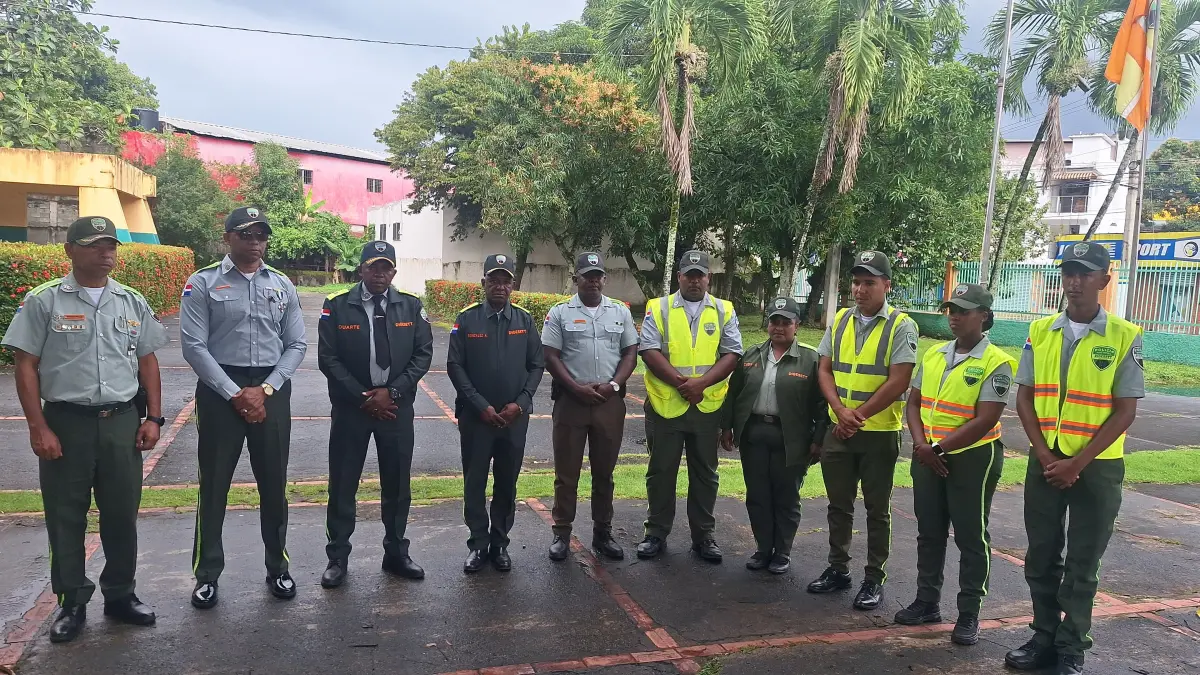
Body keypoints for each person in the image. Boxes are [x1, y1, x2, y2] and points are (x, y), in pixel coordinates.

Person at [2, 216, 169, 643]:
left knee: (120, 514)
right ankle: (72, 601)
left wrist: (153, 417)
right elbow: (26, 366)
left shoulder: (131, 301)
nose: (106, 251)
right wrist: (37, 427)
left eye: (110, 243)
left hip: (121, 423)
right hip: (66, 424)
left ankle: (120, 595)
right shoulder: (44, 301)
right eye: (95, 244)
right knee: (65, 516)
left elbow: (147, 360)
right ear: (70, 250)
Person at [1005, 242, 1143, 675]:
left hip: (1096, 468)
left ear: (1105, 279)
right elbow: (1024, 397)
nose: (1074, 281)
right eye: (1068, 272)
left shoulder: (1125, 335)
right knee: (1041, 555)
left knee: (1084, 561)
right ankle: (1043, 635)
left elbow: (1126, 410)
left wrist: (1077, 463)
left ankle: (1072, 646)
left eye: (1085, 273)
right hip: (1045, 462)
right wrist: (1046, 455)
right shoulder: (1040, 330)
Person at [179, 206, 307, 609]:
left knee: (274, 483)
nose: (254, 240)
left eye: (261, 234)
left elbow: (298, 344)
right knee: (214, 485)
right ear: (228, 237)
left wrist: (265, 389)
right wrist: (236, 392)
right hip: (221, 393)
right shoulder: (202, 283)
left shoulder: (282, 284)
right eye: (246, 233)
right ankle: (207, 574)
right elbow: (194, 346)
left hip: (271, 389)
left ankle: (278, 567)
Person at [895, 283, 1014, 646]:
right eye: (951, 309)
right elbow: (912, 403)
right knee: (929, 531)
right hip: (927, 454)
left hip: (972, 458)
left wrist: (939, 449)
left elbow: (985, 419)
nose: (955, 316)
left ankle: (969, 613)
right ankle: (927, 602)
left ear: (985, 316)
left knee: (970, 536)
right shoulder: (933, 355)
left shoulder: (997, 362)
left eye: (963, 310)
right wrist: (921, 445)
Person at [317, 241, 434, 588]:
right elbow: (329, 358)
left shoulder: (410, 307)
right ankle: (337, 557)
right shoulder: (337, 305)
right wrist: (362, 396)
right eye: (373, 267)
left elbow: (422, 355)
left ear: (394, 272)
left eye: (386, 268)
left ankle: (396, 553)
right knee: (343, 484)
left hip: (396, 409)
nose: (380, 273)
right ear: (361, 269)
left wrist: (392, 392)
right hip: (352, 410)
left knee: (397, 485)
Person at [809, 250, 918, 610]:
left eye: (869, 282)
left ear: (886, 285)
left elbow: (899, 380)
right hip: (839, 430)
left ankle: (874, 578)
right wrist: (840, 412)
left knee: (876, 510)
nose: (860, 289)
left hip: (878, 434)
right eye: (856, 282)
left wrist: (856, 416)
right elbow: (824, 369)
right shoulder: (840, 320)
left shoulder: (901, 325)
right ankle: (838, 569)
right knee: (838, 505)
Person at [636, 250, 742, 562]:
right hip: (666, 405)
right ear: (679, 277)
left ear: (709, 277)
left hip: (706, 408)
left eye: (700, 274)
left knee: (706, 475)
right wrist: (685, 384)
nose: (695, 280)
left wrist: (701, 385)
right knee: (660, 472)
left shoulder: (724, 310)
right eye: (689, 274)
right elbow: (649, 350)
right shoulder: (660, 307)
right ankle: (655, 533)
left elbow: (732, 353)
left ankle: (703, 536)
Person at [447, 253, 545, 573]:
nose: (500, 286)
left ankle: (500, 543)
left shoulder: (524, 320)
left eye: (506, 280)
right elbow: (455, 366)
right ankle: (477, 544)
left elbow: (536, 365)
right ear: (483, 283)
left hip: (514, 419)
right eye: (494, 279)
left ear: (513, 285)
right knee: (474, 481)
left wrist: (522, 402)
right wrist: (480, 405)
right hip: (477, 419)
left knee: (506, 481)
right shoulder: (467, 319)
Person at [541, 252, 639, 562]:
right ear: (576, 279)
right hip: (571, 402)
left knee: (604, 473)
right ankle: (562, 533)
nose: (593, 280)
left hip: (609, 402)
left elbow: (630, 353)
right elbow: (551, 356)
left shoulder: (619, 312)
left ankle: (603, 533)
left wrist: (613, 386)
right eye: (587, 275)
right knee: (566, 474)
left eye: (598, 275)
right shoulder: (560, 313)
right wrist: (575, 388)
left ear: (604, 279)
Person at [720, 297, 825, 575]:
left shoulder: (811, 359)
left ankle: (783, 552)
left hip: (791, 439)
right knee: (757, 495)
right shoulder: (751, 355)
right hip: (754, 434)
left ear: (797, 325)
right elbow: (734, 393)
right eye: (774, 321)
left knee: (786, 496)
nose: (779, 327)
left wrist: (819, 439)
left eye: (786, 322)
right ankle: (763, 548)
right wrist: (727, 426)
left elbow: (822, 404)